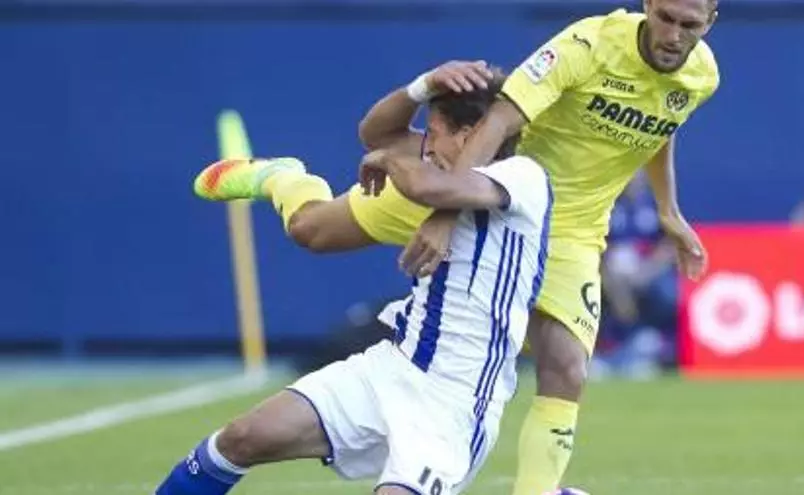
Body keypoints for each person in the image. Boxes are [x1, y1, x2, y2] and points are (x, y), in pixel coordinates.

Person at [197, 0, 721, 490]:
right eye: (666, 17)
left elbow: (661, 126)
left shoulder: (701, 77)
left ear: (711, 20)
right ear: (647, 4)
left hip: (568, 228)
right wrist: (447, 212)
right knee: (312, 230)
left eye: (690, 24)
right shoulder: (588, 44)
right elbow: (500, 119)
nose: (674, 34)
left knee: (566, 367)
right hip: (481, 183)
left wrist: (668, 211)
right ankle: (283, 177)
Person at [157, 70, 554, 495]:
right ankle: (286, 179)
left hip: (455, 404)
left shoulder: (524, 176)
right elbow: (375, 134)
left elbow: (432, 185)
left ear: (469, 135)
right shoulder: (440, 166)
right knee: (242, 437)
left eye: (435, 134)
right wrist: (422, 86)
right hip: (392, 368)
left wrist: (389, 160)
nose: (427, 146)